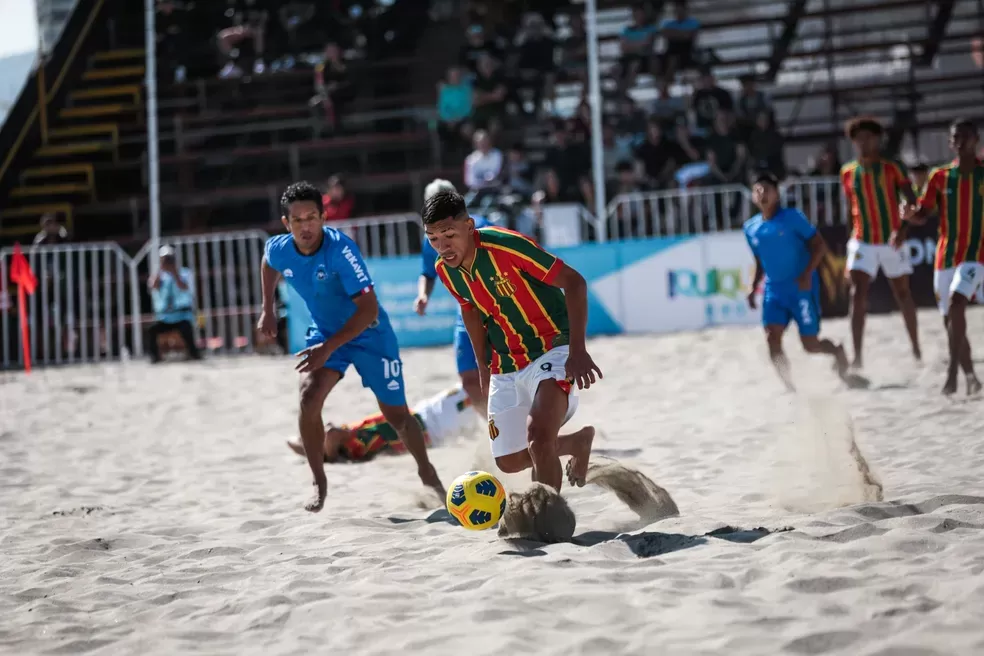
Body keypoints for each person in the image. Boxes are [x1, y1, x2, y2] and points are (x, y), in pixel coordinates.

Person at [258, 182, 443, 512]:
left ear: (324, 217)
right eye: (297, 220)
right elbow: (268, 262)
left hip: (370, 335)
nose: (306, 226)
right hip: (327, 334)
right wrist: (267, 309)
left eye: (312, 217)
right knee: (308, 397)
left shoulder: (340, 250)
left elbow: (369, 309)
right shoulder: (280, 248)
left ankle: (427, 472)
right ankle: (319, 481)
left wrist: (328, 348)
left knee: (397, 416)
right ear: (287, 224)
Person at [421, 189, 600, 491]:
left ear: (469, 226)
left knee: (539, 440)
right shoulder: (445, 269)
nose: (442, 246)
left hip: (552, 347)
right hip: (505, 361)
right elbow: (470, 311)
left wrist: (578, 350)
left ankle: (549, 523)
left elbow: (574, 282)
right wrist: (482, 365)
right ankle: (577, 442)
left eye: (448, 234)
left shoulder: (507, 246)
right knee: (509, 459)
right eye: (433, 238)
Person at [744, 173, 860, 392]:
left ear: (776, 194)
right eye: (757, 190)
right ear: (752, 197)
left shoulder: (793, 217)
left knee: (810, 345)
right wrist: (752, 288)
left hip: (801, 288)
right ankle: (790, 387)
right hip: (774, 290)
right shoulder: (750, 228)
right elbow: (759, 261)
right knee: (772, 337)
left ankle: (836, 350)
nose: (762, 194)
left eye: (766, 189)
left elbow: (819, 246)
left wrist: (807, 274)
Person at [894, 119, 984, 395]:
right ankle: (971, 376)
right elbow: (923, 213)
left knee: (957, 305)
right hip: (945, 256)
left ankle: (952, 373)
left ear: (975, 140)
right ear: (950, 142)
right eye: (955, 138)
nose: (959, 142)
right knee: (950, 321)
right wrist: (908, 218)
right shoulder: (940, 177)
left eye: (965, 137)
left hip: (975, 254)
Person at [840, 117, 921, 370]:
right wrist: (848, 249)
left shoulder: (892, 168)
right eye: (858, 138)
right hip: (862, 241)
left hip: (891, 239)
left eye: (868, 137)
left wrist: (903, 230)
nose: (863, 142)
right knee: (857, 295)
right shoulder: (847, 172)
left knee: (903, 294)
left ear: (877, 139)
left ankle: (916, 348)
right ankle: (858, 357)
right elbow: (849, 210)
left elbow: (911, 203)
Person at [414, 179, 490, 416]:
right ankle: (495, 426)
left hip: (496, 307)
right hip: (465, 310)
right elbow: (427, 273)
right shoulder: (431, 239)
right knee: (469, 379)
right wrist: (423, 295)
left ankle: (518, 429)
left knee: (504, 372)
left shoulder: (480, 225)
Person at [286, 385, 477, 462]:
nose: (326, 425)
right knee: (477, 389)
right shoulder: (354, 446)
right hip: (434, 425)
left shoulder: (348, 439)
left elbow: (295, 441)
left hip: (425, 416)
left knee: (476, 387)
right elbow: (329, 435)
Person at [147, 245, 202, 364]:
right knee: (151, 330)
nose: (167, 261)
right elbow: (153, 287)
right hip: (165, 317)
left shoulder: (185, 273)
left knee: (186, 329)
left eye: (169, 259)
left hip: (182, 316)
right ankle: (155, 358)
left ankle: (194, 354)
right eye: (164, 259)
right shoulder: (159, 276)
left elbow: (184, 288)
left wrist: (174, 273)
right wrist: (160, 270)